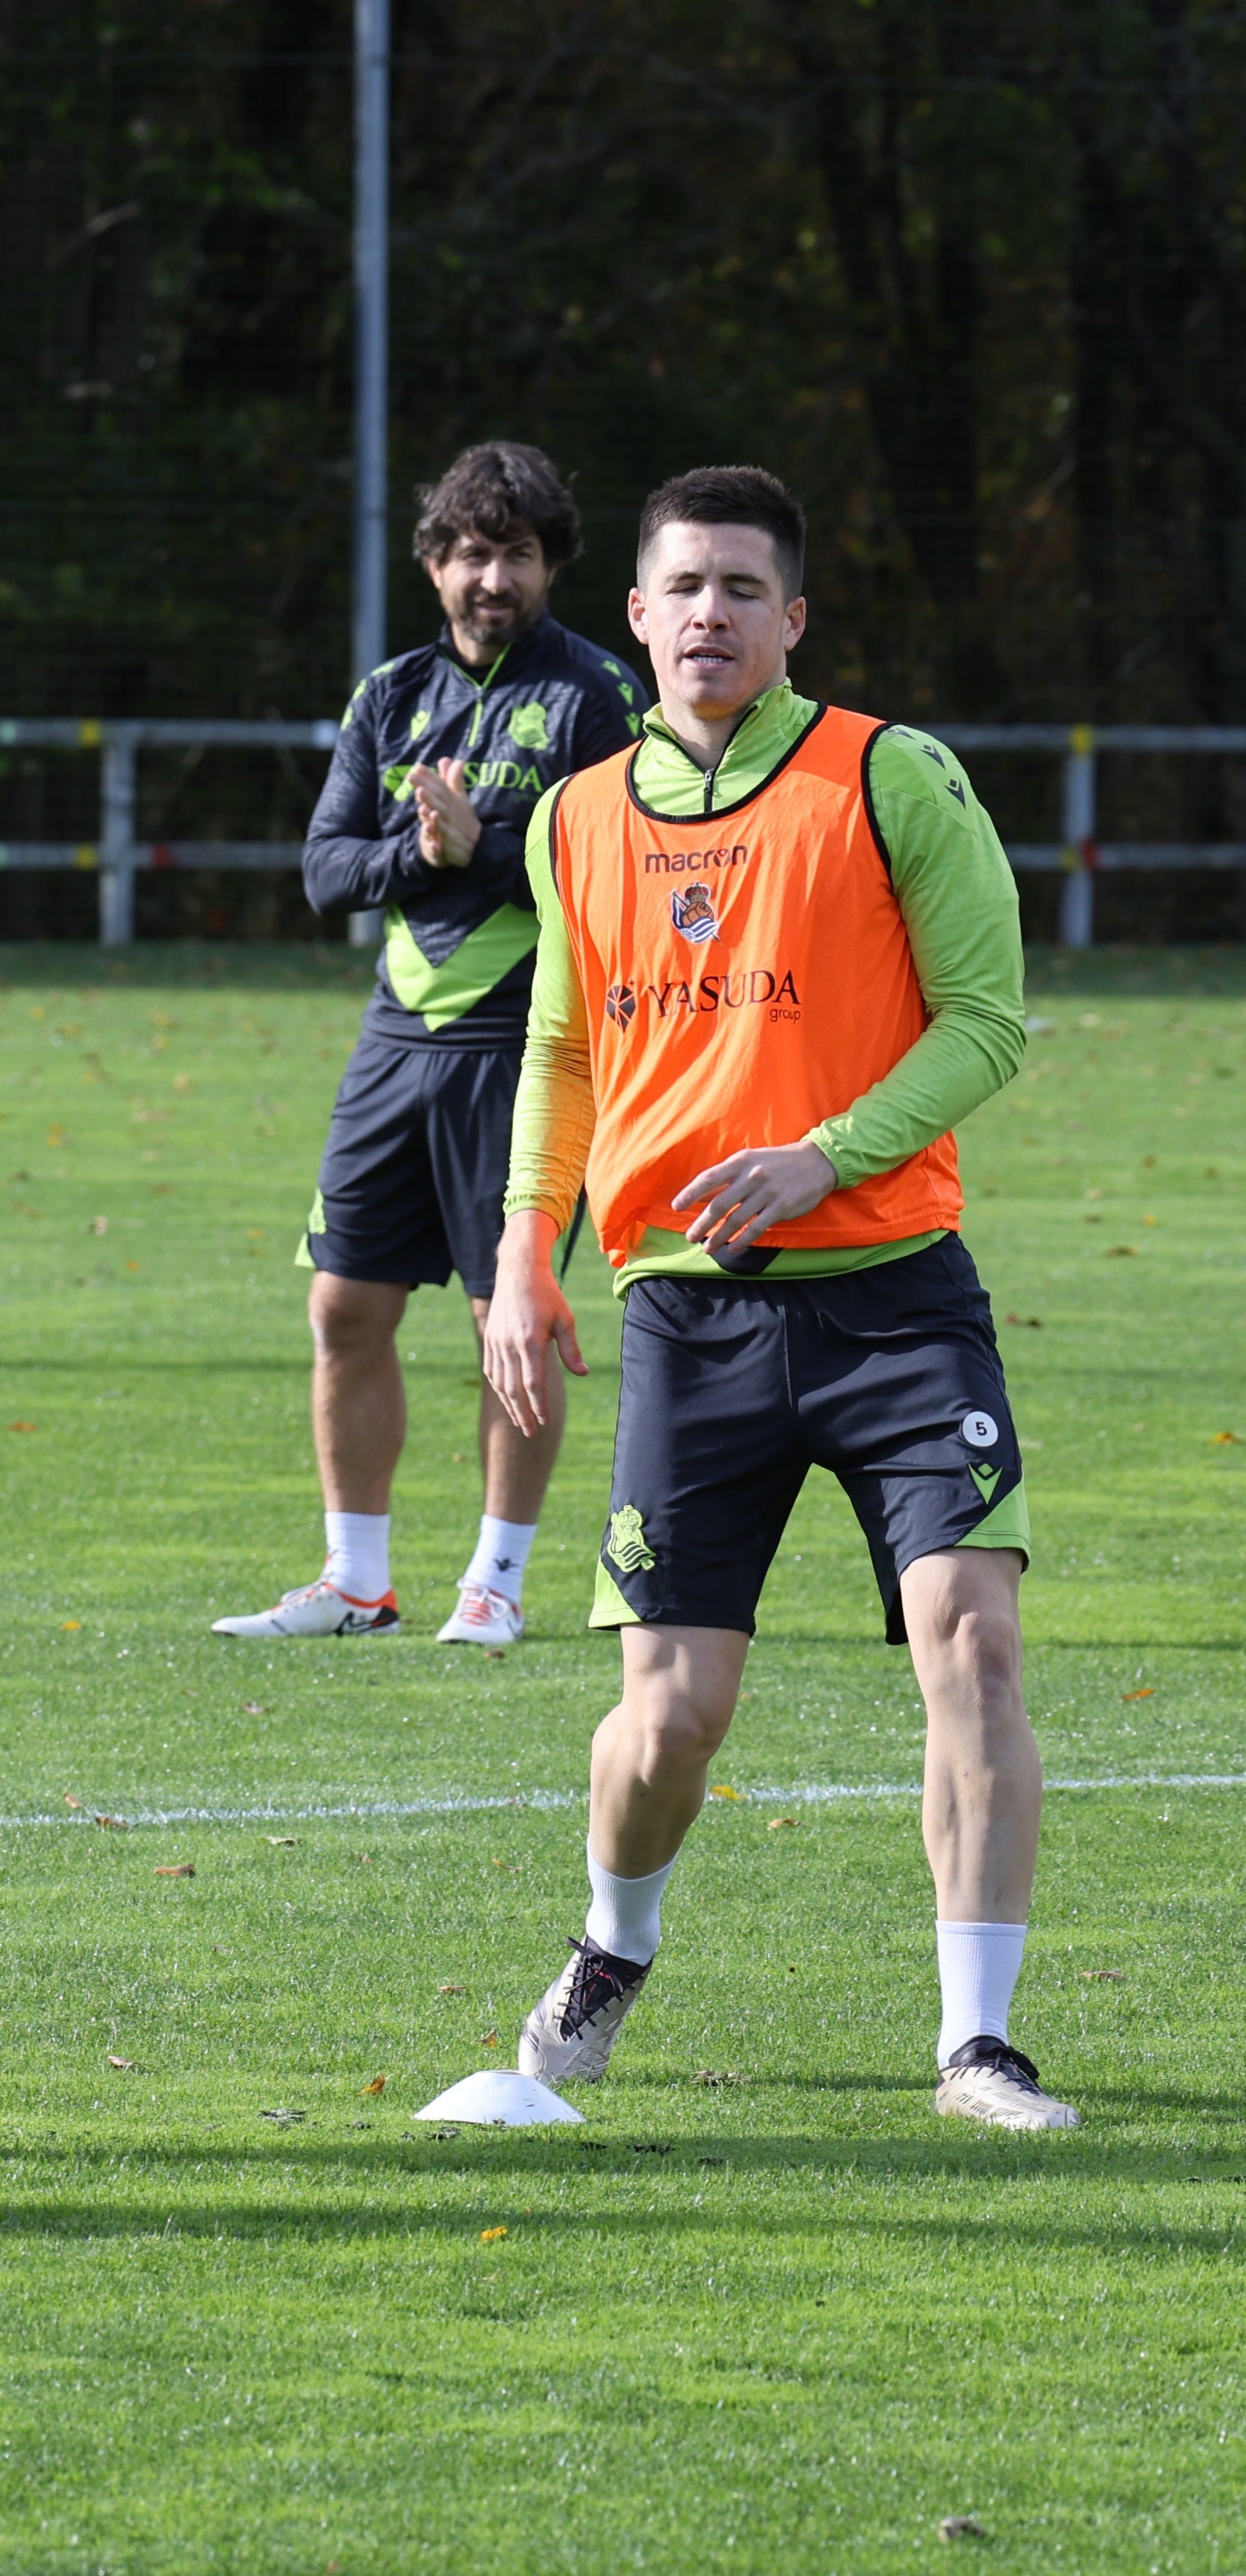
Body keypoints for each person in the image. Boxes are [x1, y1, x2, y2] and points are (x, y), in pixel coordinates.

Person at [483, 466, 1063, 2130]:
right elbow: (565, 1049)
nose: (715, 615)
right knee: (670, 1717)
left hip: (896, 1302)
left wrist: (828, 1154)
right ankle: (613, 1942)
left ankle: (978, 2041)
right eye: (687, 588)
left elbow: (988, 1019)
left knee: (975, 1641)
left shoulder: (891, 777)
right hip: (689, 1316)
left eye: (749, 589)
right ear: (640, 618)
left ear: (793, 619)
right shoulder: (575, 814)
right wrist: (527, 1257)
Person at [219, 443, 645, 1648]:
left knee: (505, 1318)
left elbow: (618, 873)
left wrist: (487, 852)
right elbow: (323, 869)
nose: (489, 576)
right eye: (468, 552)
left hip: (527, 1043)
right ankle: (354, 1582)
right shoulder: (387, 694)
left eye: (514, 553)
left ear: (550, 564)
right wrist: (424, 856)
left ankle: (495, 1584)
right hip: (393, 1043)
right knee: (343, 1307)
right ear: (433, 564)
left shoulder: (596, 697)